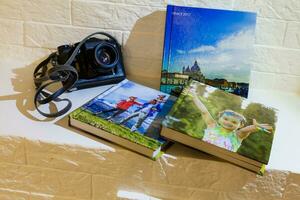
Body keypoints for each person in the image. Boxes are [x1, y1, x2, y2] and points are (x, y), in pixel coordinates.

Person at [190, 84, 273, 152]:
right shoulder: (212, 125)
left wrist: (256, 127)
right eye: (225, 119)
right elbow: (204, 111)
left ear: (240, 125)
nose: (229, 123)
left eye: (234, 122)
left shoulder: (237, 136)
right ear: (219, 118)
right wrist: (194, 95)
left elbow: (246, 130)